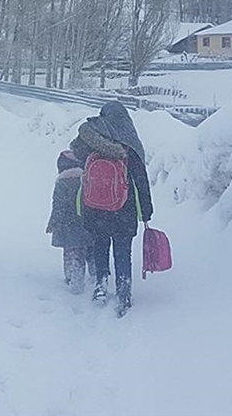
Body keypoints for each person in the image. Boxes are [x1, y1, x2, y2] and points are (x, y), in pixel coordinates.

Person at [69, 101, 154, 317]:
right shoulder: (130, 145)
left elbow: (74, 151)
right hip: (124, 210)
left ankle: (101, 284)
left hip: (95, 208)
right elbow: (141, 181)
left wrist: (91, 135)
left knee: (100, 246)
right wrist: (146, 212)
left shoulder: (91, 140)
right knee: (123, 251)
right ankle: (124, 291)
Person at [46, 150, 95, 294]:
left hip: (69, 226)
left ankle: (74, 282)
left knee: (72, 254)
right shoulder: (87, 179)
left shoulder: (62, 182)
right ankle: (96, 276)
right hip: (89, 223)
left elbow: (58, 206)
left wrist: (52, 222)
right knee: (91, 252)